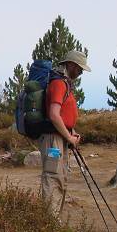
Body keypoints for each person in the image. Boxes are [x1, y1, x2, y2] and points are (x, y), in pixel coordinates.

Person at [39, 50, 91, 219]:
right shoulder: (58, 84)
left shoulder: (65, 83)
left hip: (61, 137)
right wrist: (69, 137)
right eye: (79, 68)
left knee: (61, 178)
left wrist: (71, 133)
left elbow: (63, 115)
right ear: (70, 65)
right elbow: (54, 114)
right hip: (53, 139)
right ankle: (49, 224)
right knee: (53, 178)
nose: (81, 72)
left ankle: (54, 222)